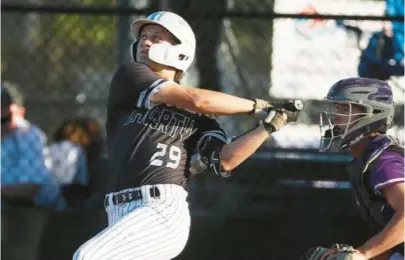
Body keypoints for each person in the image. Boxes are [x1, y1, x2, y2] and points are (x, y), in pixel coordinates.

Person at [73, 11, 301, 260]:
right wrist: (259, 106)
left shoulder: (200, 119)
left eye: (157, 37)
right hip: (120, 213)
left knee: (88, 257)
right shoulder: (131, 77)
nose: (145, 42)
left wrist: (268, 127)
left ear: (180, 51)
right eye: (143, 37)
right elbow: (197, 99)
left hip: (160, 211)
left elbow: (226, 160)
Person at [317, 78, 404, 260]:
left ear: (372, 113)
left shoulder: (384, 159)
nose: (335, 117)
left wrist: (364, 254)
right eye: (337, 108)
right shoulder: (366, 157)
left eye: (346, 109)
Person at [1, 83, 65, 210]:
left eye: (5, 118)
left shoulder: (30, 136)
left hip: (38, 210)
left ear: (21, 112)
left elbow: (31, 189)